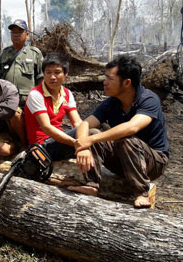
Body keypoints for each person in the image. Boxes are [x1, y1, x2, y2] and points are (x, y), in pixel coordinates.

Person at [69, 55, 169, 208]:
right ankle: (91, 184)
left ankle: (141, 193)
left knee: (126, 139)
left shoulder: (149, 99)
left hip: (153, 163)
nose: (105, 82)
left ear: (127, 82)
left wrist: (90, 141)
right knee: (93, 133)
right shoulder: (111, 103)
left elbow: (132, 127)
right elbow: (85, 125)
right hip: (123, 159)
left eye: (110, 79)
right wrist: (83, 145)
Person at [24, 53, 82, 160]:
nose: (52, 77)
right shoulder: (35, 94)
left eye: (57, 72)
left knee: (90, 130)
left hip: (59, 142)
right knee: (91, 132)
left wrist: (84, 139)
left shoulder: (67, 94)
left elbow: (77, 122)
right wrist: (76, 143)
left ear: (66, 74)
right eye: (48, 73)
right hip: (42, 147)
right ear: (43, 74)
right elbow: (47, 128)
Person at [0, 19, 43, 147]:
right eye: (13, 32)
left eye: (20, 32)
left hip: (27, 102)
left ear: (27, 34)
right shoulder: (5, 53)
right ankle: (20, 144)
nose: (16, 35)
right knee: (12, 114)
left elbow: (40, 78)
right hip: (8, 100)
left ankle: (25, 145)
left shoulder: (34, 53)